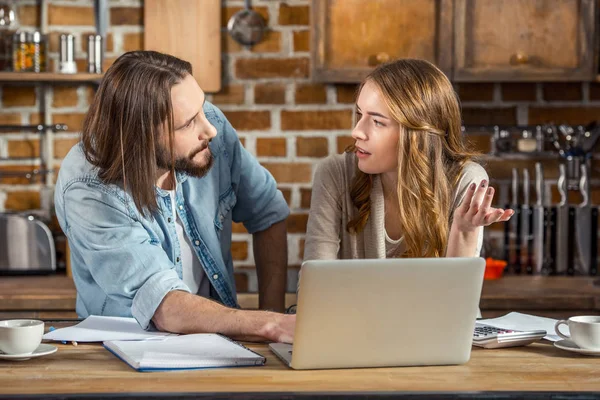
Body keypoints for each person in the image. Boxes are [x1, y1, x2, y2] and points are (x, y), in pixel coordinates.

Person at [54, 51, 294, 343]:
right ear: (139, 139)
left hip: (218, 342)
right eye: (187, 124)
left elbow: (267, 212)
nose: (210, 129)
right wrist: (270, 325)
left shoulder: (207, 132)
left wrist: (275, 317)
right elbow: (164, 305)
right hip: (124, 350)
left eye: (203, 109)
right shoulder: (88, 188)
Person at [304, 58, 513, 264]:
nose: (357, 131)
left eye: (377, 122)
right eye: (360, 114)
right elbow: (313, 286)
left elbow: (456, 296)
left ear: (417, 135)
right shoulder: (335, 174)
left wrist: (463, 232)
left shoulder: (465, 181)